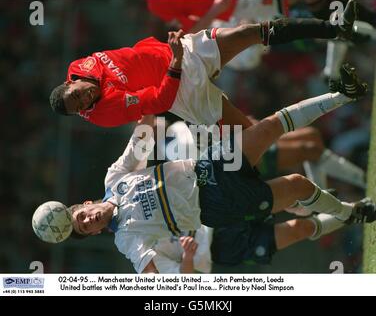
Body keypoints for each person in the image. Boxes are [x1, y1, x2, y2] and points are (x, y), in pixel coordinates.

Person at [40, 63, 375, 274]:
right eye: (85, 228)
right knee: (299, 185)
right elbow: (156, 279)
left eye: (81, 216)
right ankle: (350, 213)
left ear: (85, 204)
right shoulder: (127, 239)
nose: (88, 221)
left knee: (270, 126)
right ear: (95, 232)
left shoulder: (114, 179)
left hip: (207, 166)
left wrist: (156, 90)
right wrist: (183, 264)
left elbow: (143, 137)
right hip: (217, 205)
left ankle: (345, 95)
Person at [50, 0, 358, 128]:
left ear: (70, 81)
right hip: (183, 91)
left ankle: (335, 29)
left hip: (182, 51)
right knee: (255, 131)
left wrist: (167, 49)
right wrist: (175, 63)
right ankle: (342, 93)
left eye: (77, 94)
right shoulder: (105, 112)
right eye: (81, 106)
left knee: (251, 32)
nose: (85, 99)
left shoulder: (81, 64)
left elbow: (130, 58)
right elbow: (159, 101)